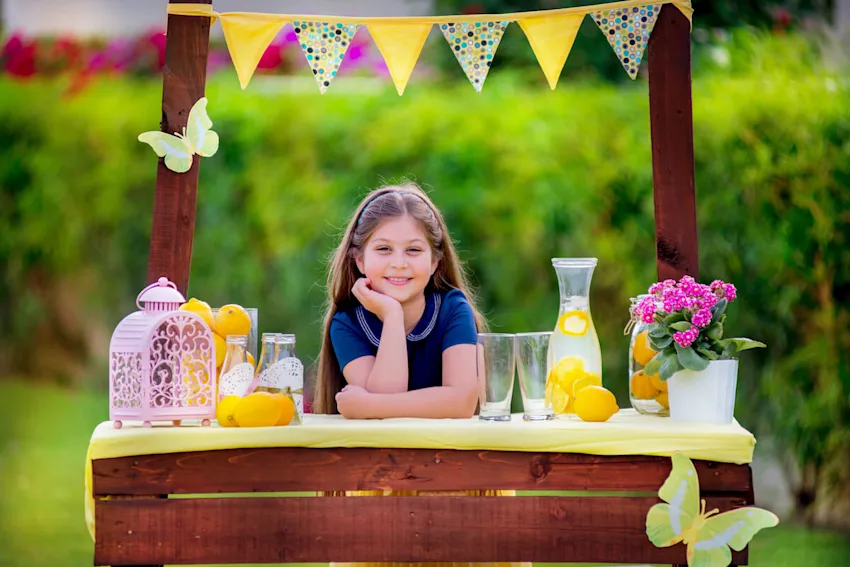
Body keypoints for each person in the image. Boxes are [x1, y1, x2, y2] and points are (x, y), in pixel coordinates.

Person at [314, 182, 528, 567]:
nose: (399, 263)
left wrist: (370, 405)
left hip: (464, 488)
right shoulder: (347, 324)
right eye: (383, 250)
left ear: (435, 262)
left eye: (413, 250)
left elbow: (462, 401)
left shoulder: (452, 309)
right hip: (377, 493)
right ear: (358, 260)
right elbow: (384, 410)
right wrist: (392, 318)